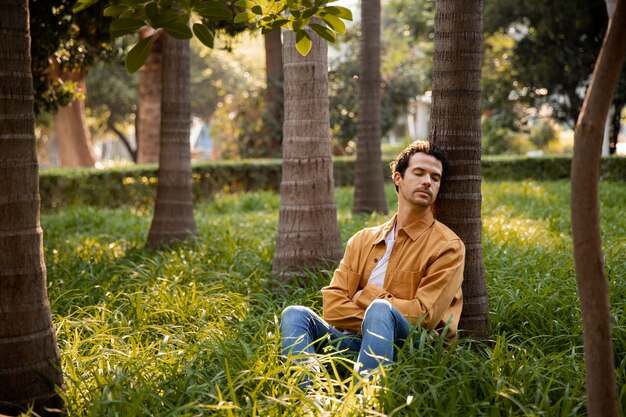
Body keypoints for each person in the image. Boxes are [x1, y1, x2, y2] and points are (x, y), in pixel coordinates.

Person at [280, 140, 465, 383]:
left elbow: (424, 317)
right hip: (354, 340)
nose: (427, 181)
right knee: (295, 314)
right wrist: (376, 320)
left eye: (435, 177)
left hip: (413, 348)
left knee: (380, 310)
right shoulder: (363, 240)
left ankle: (365, 402)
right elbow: (332, 306)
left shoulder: (448, 246)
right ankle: (310, 396)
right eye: (419, 173)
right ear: (398, 178)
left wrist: (364, 297)